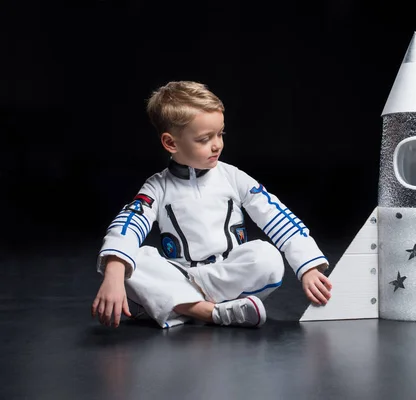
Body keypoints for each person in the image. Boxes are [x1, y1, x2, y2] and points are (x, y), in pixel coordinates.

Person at [91, 81, 332, 329]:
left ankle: (182, 306)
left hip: (228, 274)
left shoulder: (233, 177)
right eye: (205, 139)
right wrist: (113, 273)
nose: (217, 145)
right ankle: (214, 313)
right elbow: (129, 224)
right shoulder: (157, 187)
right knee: (132, 261)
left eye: (220, 134)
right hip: (182, 275)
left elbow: (275, 214)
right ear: (171, 143)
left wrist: (309, 266)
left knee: (267, 257)